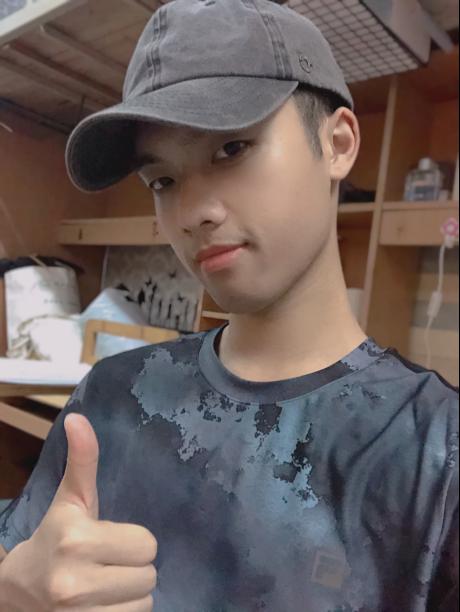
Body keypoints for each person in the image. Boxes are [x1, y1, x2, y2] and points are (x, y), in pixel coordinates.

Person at [0, 0, 458, 610]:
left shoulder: (436, 454)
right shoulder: (113, 396)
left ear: (338, 143)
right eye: (163, 181)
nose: (192, 212)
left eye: (232, 149)